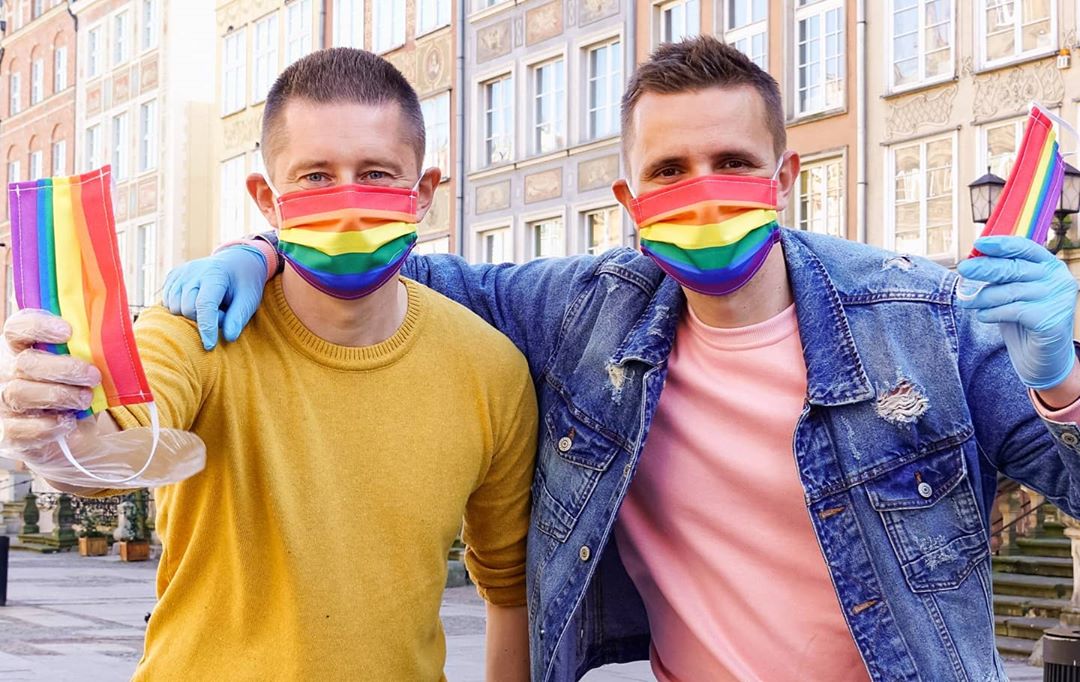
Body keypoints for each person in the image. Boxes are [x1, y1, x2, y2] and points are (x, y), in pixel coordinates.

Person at [159, 38, 1080, 681]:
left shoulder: (927, 319)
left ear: (785, 177)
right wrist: (261, 249)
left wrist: (1062, 379)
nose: (703, 192)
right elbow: (382, 257)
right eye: (669, 171)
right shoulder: (584, 311)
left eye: (732, 160)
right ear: (630, 202)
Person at [0, 48, 536, 681]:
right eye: (315, 176)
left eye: (375, 173)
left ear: (422, 192)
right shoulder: (194, 328)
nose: (346, 202)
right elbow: (107, 448)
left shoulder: (491, 369)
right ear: (267, 198)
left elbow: (509, 587)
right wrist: (57, 427)